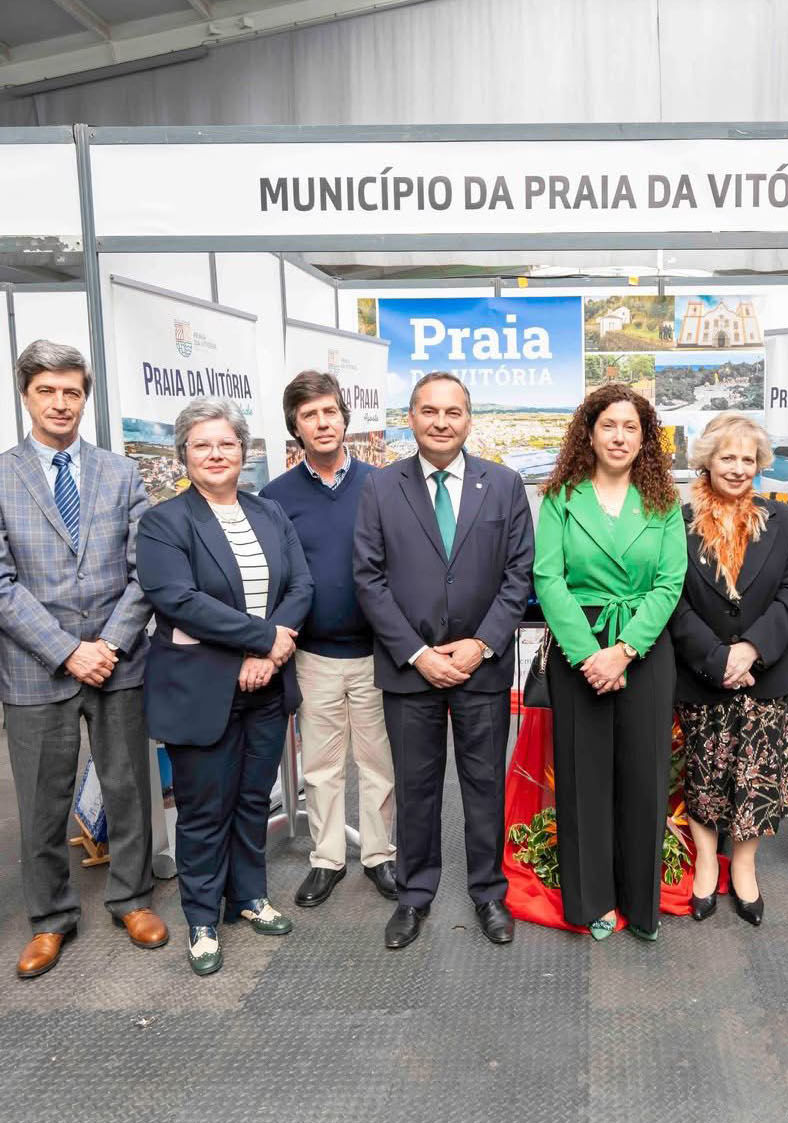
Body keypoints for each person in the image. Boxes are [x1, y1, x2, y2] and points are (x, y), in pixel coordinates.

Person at [0, 340, 168, 979]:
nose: (61, 404)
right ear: (26, 396)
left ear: (86, 397)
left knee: (129, 788)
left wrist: (106, 645)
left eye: (72, 392)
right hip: (37, 667)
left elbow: (146, 574)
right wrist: (66, 652)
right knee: (41, 802)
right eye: (47, 392)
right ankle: (50, 919)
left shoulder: (120, 472)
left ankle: (132, 899)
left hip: (119, 660)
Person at [353, 371, 533, 951]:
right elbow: (369, 579)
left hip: (482, 668)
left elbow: (518, 574)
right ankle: (414, 895)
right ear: (411, 418)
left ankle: (488, 893)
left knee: (484, 786)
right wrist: (417, 652)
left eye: (453, 412)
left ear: (468, 420)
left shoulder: (503, 485)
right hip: (411, 671)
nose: (441, 421)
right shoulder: (382, 488)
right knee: (417, 786)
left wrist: (481, 644)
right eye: (429, 411)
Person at [136, 400, 313, 976]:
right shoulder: (165, 522)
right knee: (204, 809)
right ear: (184, 454)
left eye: (227, 444)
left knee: (253, 800)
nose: (216, 454)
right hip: (202, 687)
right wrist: (264, 640)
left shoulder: (269, 513)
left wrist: (274, 648)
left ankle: (250, 897)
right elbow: (178, 599)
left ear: (244, 452)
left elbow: (301, 584)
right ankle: (203, 918)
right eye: (202, 445)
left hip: (264, 685)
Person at [533, 383, 688, 940]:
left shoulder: (664, 501)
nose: (619, 436)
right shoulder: (560, 497)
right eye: (609, 426)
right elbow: (548, 579)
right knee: (583, 778)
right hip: (581, 648)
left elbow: (670, 583)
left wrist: (623, 652)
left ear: (644, 438)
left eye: (631, 427)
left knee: (646, 779)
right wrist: (589, 654)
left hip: (644, 649)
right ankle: (592, 900)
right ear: (589, 433)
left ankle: (640, 904)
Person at [262, 371, 398, 910]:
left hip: (378, 653)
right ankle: (326, 860)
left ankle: (380, 856)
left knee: (378, 764)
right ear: (295, 429)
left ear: (345, 418)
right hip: (313, 655)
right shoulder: (275, 497)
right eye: (309, 416)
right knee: (319, 765)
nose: (322, 423)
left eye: (329, 412)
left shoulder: (383, 485)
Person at [670, 415, 788, 927]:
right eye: (727, 457)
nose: (738, 468)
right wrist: (717, 657)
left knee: (756, 779)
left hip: (766, 674)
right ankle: (708, 861)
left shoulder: (784, 520)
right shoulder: (676, 522)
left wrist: (751, 650)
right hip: (702, 673)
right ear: (706, 460)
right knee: (705, 775)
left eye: (748, 459)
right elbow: (674, 601)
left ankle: (744, 867)